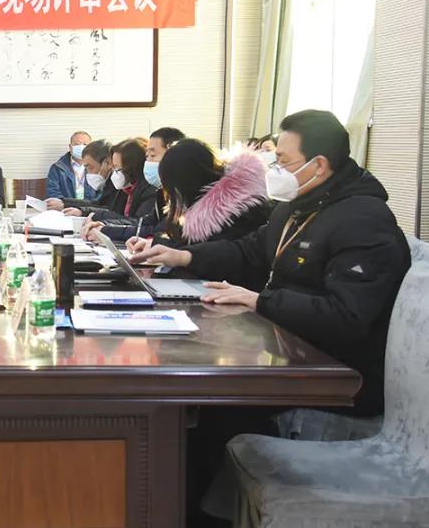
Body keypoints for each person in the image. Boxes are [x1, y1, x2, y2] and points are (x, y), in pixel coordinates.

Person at [131, 110, 411, 415]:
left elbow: (346, 316)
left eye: (283, 162)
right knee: (182, 364)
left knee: (205, 398)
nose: (276, 171)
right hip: (286, 345)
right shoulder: (295, 207)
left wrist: (260, 301)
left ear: (318, 165)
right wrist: (186, 255)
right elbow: (249, 251)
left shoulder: (364, 221)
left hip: (336, 376)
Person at [110, 140, 271, 252]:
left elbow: (207, 252)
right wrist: (153, 243)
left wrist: (161, 245)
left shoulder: (237, 210)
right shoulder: (206, 203)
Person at [46, 139, 113, 215]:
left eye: (90, 167)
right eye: (77, 144)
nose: (89, 173)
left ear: (107, 163)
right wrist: (64, 203)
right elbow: (98, 203)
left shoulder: (117, 183)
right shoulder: (58, 167)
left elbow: (111, 211)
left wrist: (82, 212)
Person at [46, 131, 100, 201]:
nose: (81, 147)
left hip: (90, 207)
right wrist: (67, 204)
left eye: (85, 144)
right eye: (77, 144)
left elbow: (101, 194)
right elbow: (53, 194)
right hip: (66, 207)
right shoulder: (57, 168)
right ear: (70, 147)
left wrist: (88, 206)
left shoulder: (98, 168)